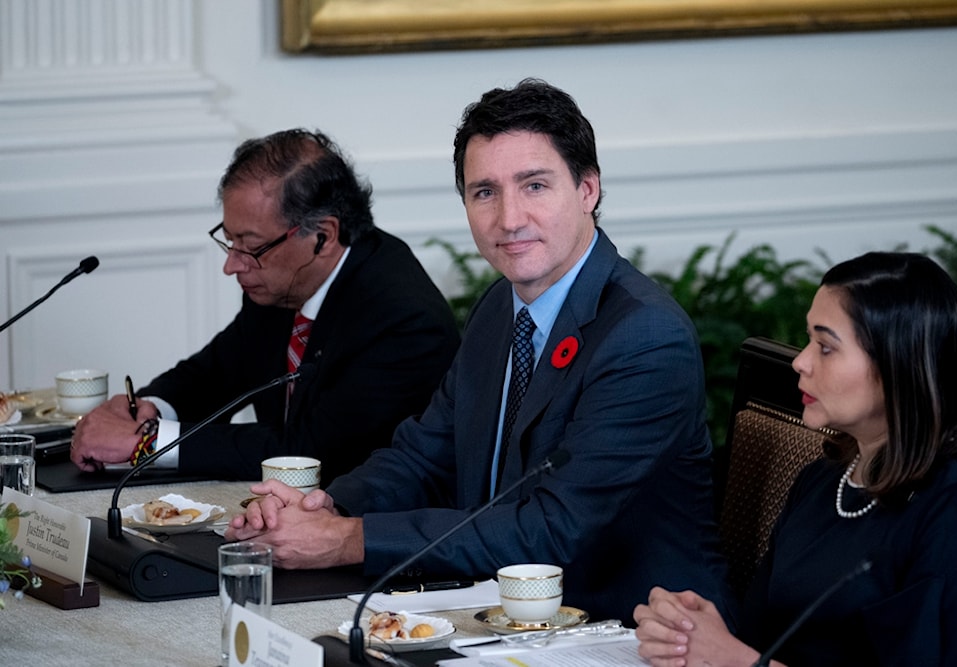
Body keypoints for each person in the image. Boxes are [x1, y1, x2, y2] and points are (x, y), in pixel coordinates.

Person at [226, 79, 734, 623]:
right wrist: (324, 507)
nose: (509, 218)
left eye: (535, 186)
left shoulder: (645, 337)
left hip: (629, 628)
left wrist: (349, 539)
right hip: (494, 610)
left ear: (588, 190)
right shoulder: (501, 308)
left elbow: (550, 527)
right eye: (484, 192)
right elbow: (426, 453)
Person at [634, 251, 957, 666]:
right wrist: (694, 632)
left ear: (898, 365)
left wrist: (734, 659)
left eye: (825, 347)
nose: (800, 361)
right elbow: (761, 642)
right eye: (809, 339)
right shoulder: (822, 480)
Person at [70, 129, 460, 484]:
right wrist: (146, 409)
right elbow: (219, 370)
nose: (232, 264)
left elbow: (313, 452)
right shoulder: (282, 281)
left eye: (251, 246)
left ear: (322, 236)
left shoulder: (403, 320)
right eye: (229, 241)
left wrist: (148, 443)